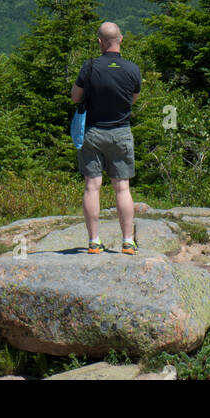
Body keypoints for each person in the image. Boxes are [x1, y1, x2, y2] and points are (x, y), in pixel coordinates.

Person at [71, 21, 142, 254]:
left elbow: (75, 97)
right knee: (122, 187)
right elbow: (133, 98)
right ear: (120, 39)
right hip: (121, 132)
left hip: (93, 132)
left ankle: (93, 241)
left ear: (100, 42)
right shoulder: (132, 69)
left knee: (92, 186)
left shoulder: (90, 67)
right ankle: (128, 241)